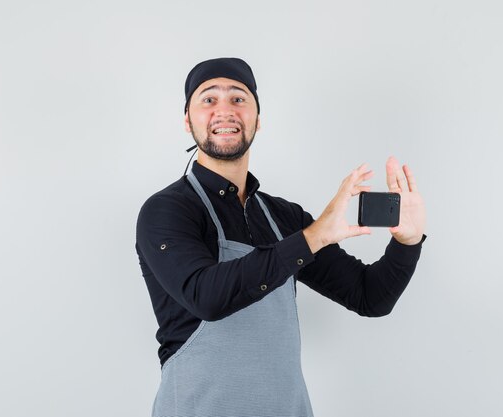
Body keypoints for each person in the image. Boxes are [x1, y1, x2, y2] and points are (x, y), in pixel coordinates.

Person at [135, 57, 427, 417]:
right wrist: (311, 237)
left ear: (258, 119)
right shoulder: (167, 211)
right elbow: (206, 296)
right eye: (208, 99)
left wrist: (407, 243)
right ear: (186, 120)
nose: (224, 110)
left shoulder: (281, 217)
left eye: (239, 99)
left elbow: (370, 297)